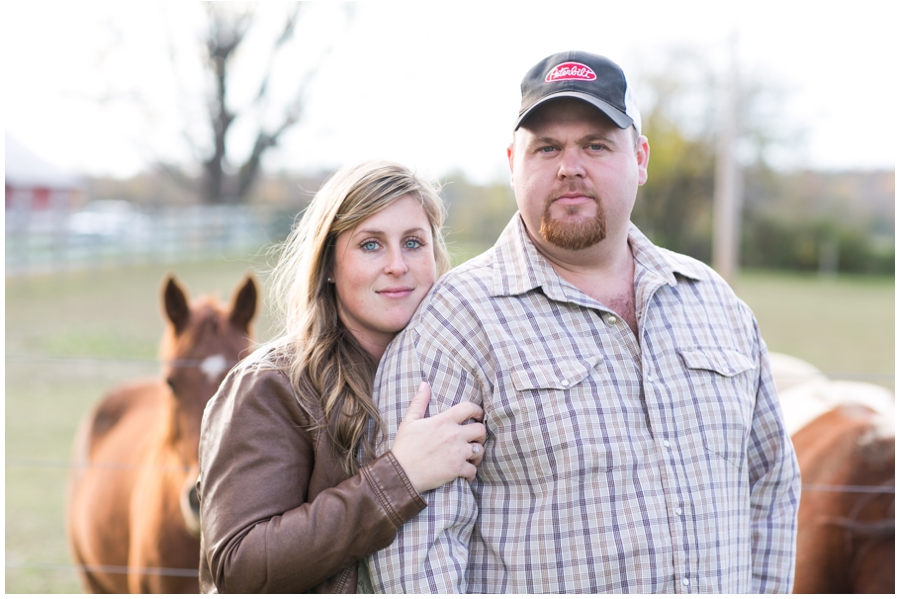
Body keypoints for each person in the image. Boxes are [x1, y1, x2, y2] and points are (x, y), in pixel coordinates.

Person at [366, 51, 801, 593]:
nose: (570, 165)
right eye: (547, 147)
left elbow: (772, 488)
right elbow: (417, 550)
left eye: (596, 144)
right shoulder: (456, 323)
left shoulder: (715, 303)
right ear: (511, 162)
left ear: (640, 158)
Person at [196, 161, 487, 593]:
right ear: (329, 264)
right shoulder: (271, 385)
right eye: (371, 245)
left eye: (413, 243)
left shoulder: (456, 375)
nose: (396, 265)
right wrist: (400, 476)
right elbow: (240, 565)